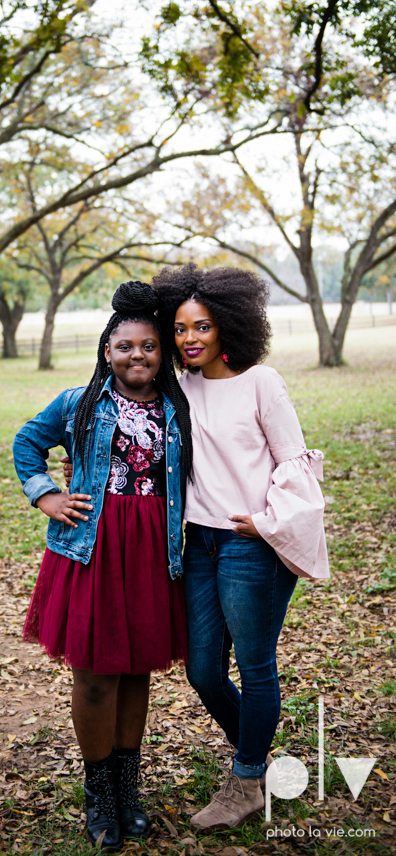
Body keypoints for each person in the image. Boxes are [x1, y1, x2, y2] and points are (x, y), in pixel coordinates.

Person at [12, 281, 193, 851]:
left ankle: (127, 789)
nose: (136, 356)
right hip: (91, 551)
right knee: (94, 675)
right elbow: (26, 442)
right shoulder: (79, 404)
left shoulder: (177, 408)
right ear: (105, 352)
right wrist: (46, 495)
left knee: (137, 667)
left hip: (151, 553)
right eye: (124, 347)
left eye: (148, 346)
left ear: (161, 353)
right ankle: (98, 793)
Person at [151, 264, 329, 832]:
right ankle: (257, 756)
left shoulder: (262, 382)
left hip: (252, 542)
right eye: (179, 330)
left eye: (201, 326)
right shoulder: (179, 388)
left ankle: (246, 777)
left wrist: (266, 521)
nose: (190, 339)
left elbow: (294, 462)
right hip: (198, 543)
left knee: (255, 668)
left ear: (228, 325)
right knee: (203, 670)